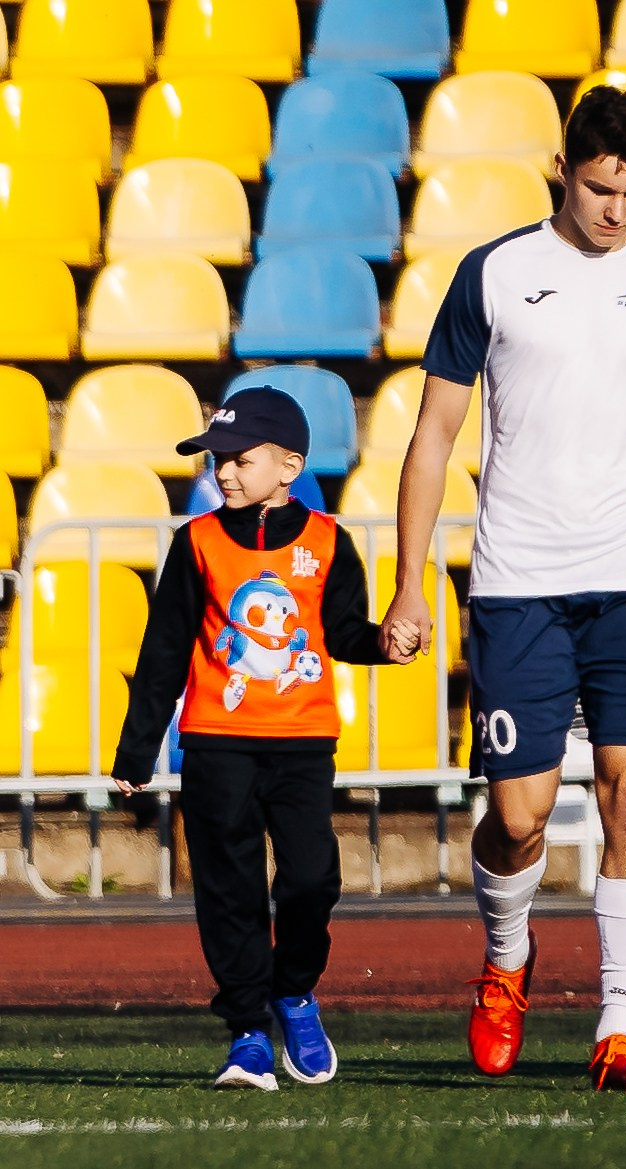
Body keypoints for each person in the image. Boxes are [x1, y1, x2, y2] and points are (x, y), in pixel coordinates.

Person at [380, 85, 626, 1091]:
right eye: (598, 188)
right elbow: (433, 435)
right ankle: (506, 957)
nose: (616, 210)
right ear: (561, 172)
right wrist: (409, 584)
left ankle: (619, 1027)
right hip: (518, 581)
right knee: (521, 814)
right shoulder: (493, 274)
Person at [112, 386, 417, 1092]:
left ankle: (295, 992)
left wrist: (383, 643)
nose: (222, 472)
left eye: (239, 459)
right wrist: (137, 749)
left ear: (289, 468)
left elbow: (344, 633)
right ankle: (247, 1031)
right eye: (216, 459)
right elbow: (163, 652)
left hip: (302, 743)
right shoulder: (195, 542)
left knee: (312, 878)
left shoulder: (329, 542)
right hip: (215, 742)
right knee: (230, 889)